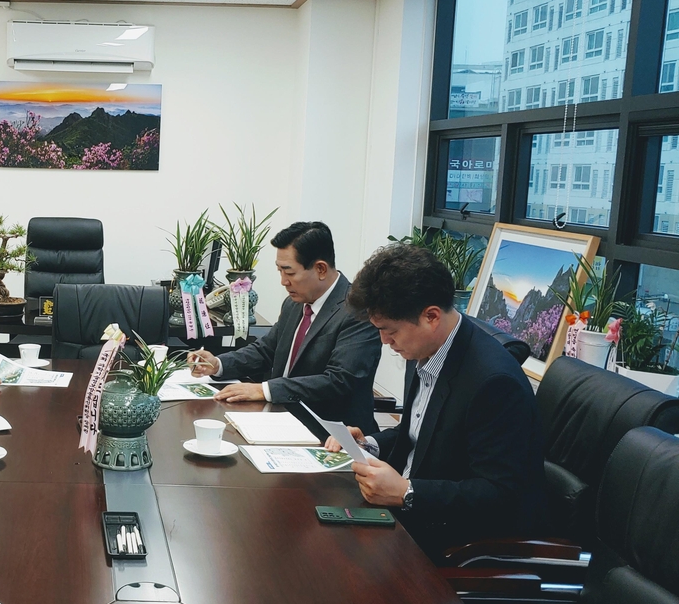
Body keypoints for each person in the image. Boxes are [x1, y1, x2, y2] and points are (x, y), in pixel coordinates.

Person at [326, 243, 546, 560]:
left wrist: (407, 492)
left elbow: (500, 494)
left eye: (389, 331)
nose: (385, 342)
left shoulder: (494, 384)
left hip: (453, 542)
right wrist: (371, 443)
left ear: (430, 316)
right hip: (407, 517)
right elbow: (422, 436)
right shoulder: (426, 350)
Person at [188, 221, 382, 433]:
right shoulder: (295, 303)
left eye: (289, 273)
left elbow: (338, 381)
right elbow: (266, 350)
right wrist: (218, 364)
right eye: (280, 271)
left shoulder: (357, 311)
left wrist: (265, 390)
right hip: (279, 418)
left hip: (329, 433)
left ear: (320, 269)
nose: (283, 281)